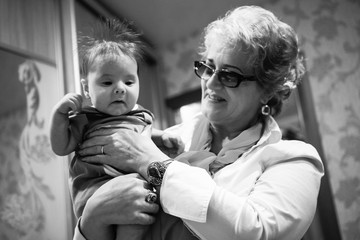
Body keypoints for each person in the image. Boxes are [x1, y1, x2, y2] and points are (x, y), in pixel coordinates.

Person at [73, 5, 324, 240]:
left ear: (268, 90)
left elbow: (255, 232)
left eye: (229, 75)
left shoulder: (294, 159)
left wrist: (151, 163)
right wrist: (93, 215)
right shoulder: (165, 138)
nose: (211, 84)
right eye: (209, 67)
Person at [49, 18, 183, 240]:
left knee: (140, 213)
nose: (120, 89)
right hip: (95, 190)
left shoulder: (141, 115)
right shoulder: (86, 118)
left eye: (129, 82)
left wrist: (163, 136)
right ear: (86, 88)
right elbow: (61, 147)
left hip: (136, 190)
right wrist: (58, 116)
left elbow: (144, 138)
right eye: (107, 83)